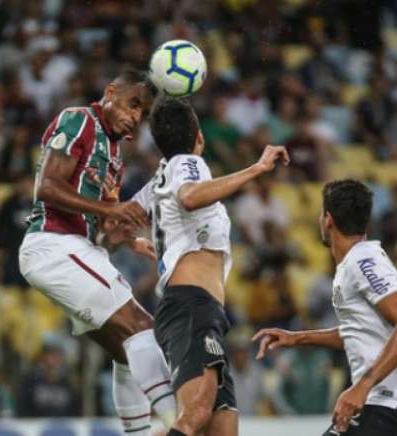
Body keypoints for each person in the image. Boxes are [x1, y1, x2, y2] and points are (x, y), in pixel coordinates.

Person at [17, 71, 176, 435]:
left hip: (79, 248)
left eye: (144, 113)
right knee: (143, 330)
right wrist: (110, 211)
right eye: (133, 103)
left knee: (128, 352)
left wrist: (124, 238)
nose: (136, 116)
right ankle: (179, 422)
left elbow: (102, 228)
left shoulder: (115, 154)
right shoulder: (79, 120)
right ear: (110, 92)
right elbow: (47, 186)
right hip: (53, 244)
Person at [129, 96, 290, 436]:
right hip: (192, 306)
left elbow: (124, 223)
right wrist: (257, 168)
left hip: (198, 309)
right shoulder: (188, 163)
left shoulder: (161, 177)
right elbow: (190, 196)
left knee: (221, 429)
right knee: (196, 413)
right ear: (198, 136)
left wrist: (145, 248)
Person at [253, 179, 397, 435]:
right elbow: (358, 332)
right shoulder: (358, 262)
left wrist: (362, 386)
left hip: (388, 405)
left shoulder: (363, 262)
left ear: (328, 219)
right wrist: (298, 338)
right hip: (389, 407)